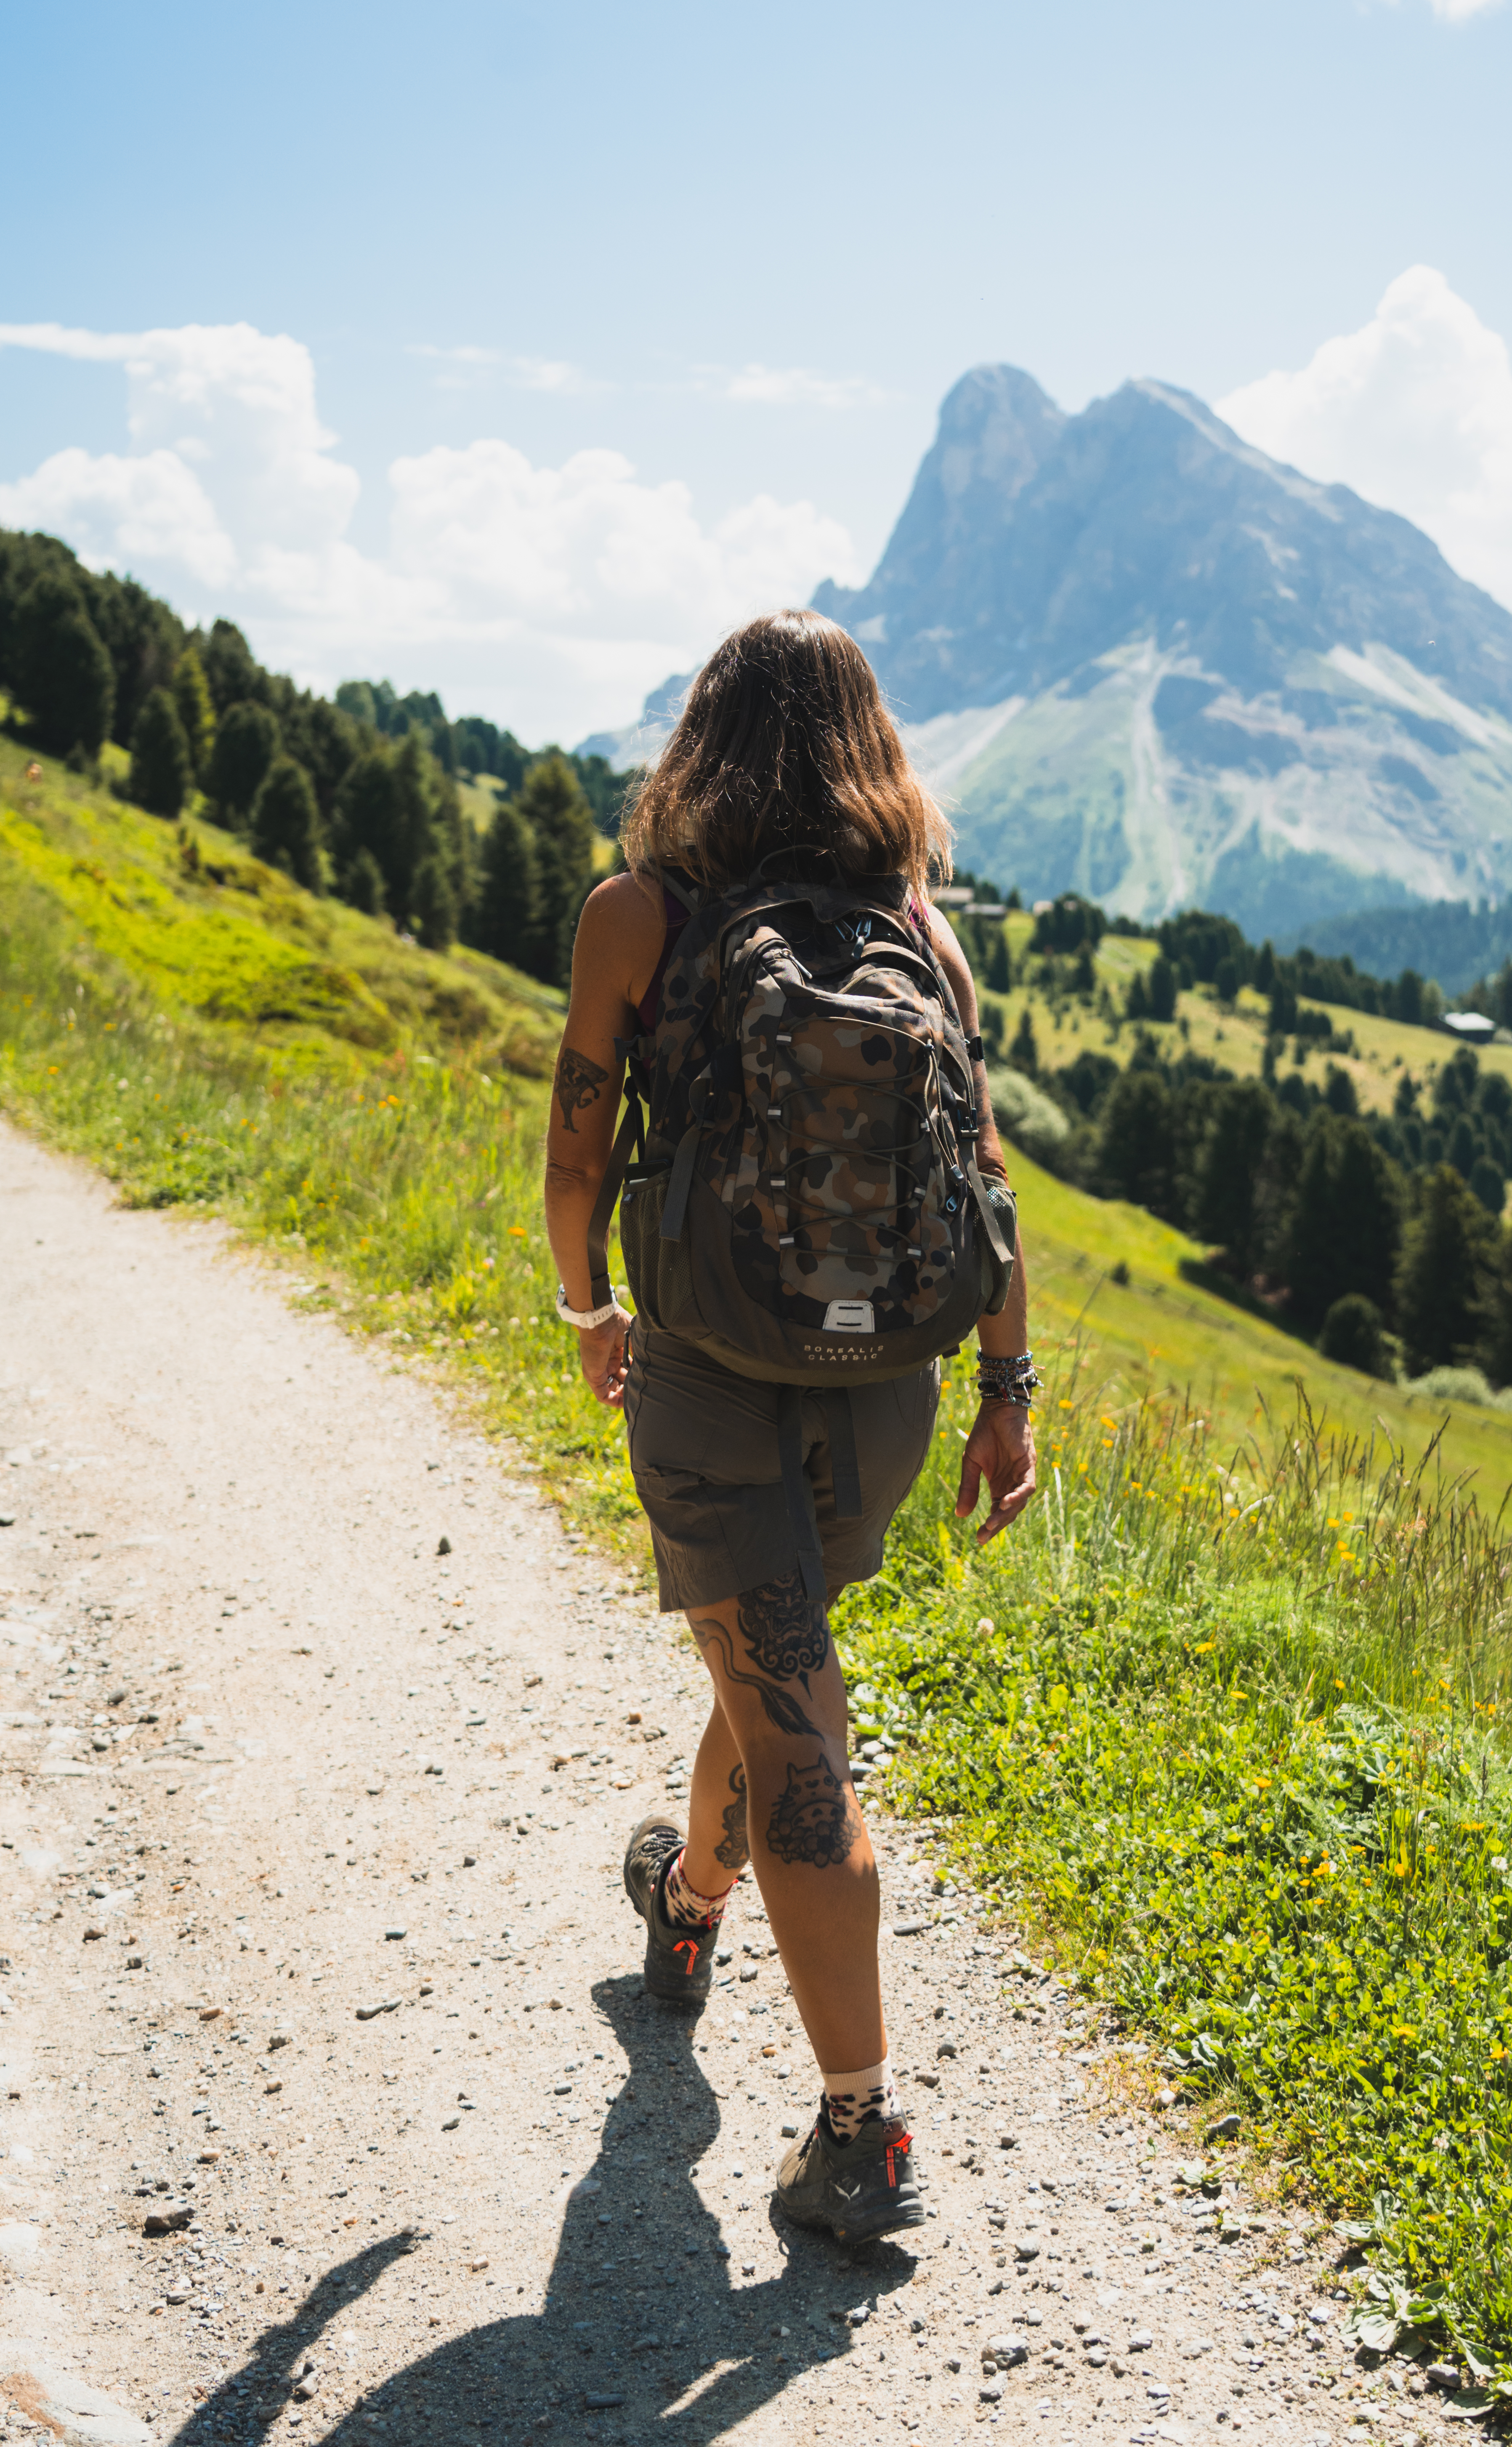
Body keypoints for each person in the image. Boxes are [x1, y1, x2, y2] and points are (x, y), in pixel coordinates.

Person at [541, 610, 1039, 2245]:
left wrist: (586, 1308)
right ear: (867, 748)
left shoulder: (643, 914)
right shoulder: (923, 936)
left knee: (794, 1725)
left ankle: (863, 2130)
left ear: (704, 738)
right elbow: (985, 1183)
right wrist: (1003, 1398)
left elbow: (574, 1148)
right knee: (780, 1675)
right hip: (885, 1385)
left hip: (705, 1363)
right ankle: (685, 1903)